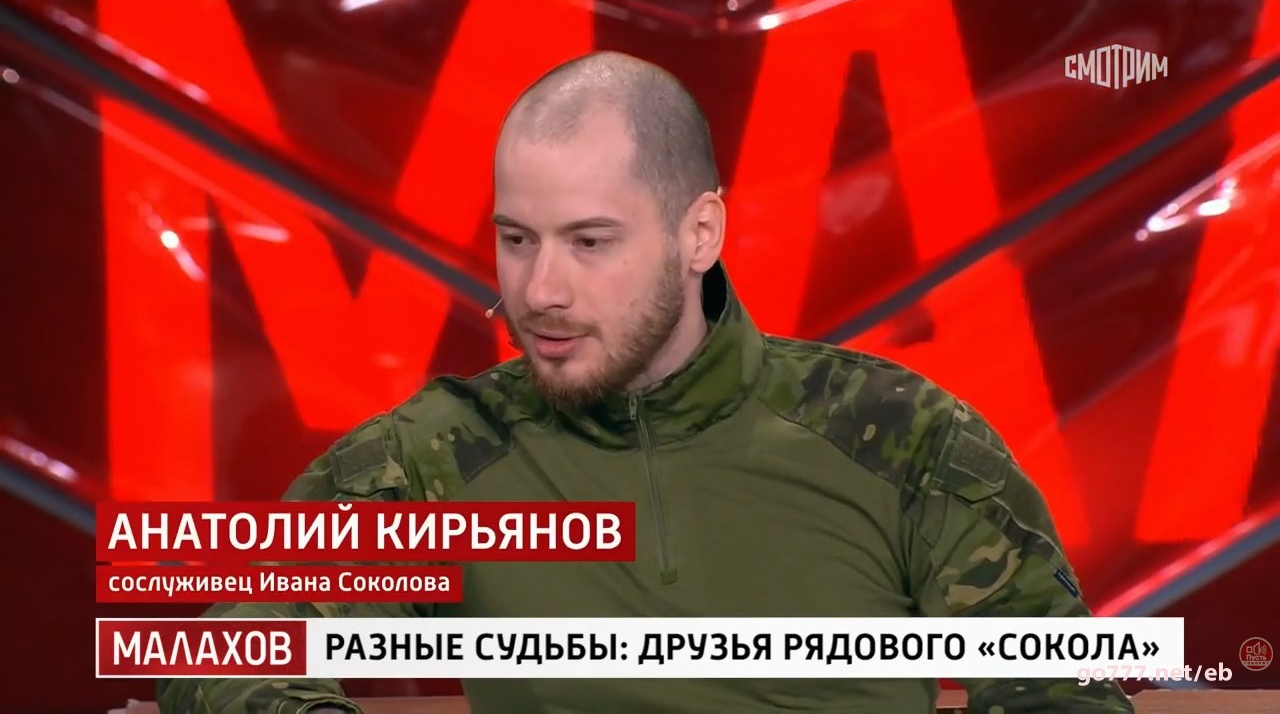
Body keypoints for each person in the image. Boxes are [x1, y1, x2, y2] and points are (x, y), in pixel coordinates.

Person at [158, 51, 1133, 713]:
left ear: (698, 234)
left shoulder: (901, 436)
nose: (540, 289)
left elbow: (1061, 688)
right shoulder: (438, 456)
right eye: (515, 240)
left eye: (589, 242)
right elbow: (230, 650)